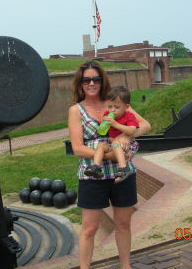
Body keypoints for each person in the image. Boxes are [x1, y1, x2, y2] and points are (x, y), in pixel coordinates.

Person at [68, 60, 151, 269]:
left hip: (123, 173)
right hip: (93, 174)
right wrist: (109, 156)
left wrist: (126, 134)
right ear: (80, 84)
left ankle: (126, 266)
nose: (91, 83)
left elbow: (145, 125)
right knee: (89, 228)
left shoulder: (114, 101)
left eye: (95, 79)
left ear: (101, 80)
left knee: (123, 223)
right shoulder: (76, 110)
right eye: (86, 80)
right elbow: (78, 148)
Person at [84, 86, 139, 183]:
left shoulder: (129, 116)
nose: (112, 110)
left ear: (126, 107)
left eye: (117, 107)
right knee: (101, 146)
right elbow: (104, 131)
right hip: (113, 145)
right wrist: (103, 124)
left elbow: (132, 131)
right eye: (110, 107)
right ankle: (96, 167)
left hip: (127, 146)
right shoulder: (106, 114)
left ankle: (123, 168)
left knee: (116, 142)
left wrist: (115, 124)